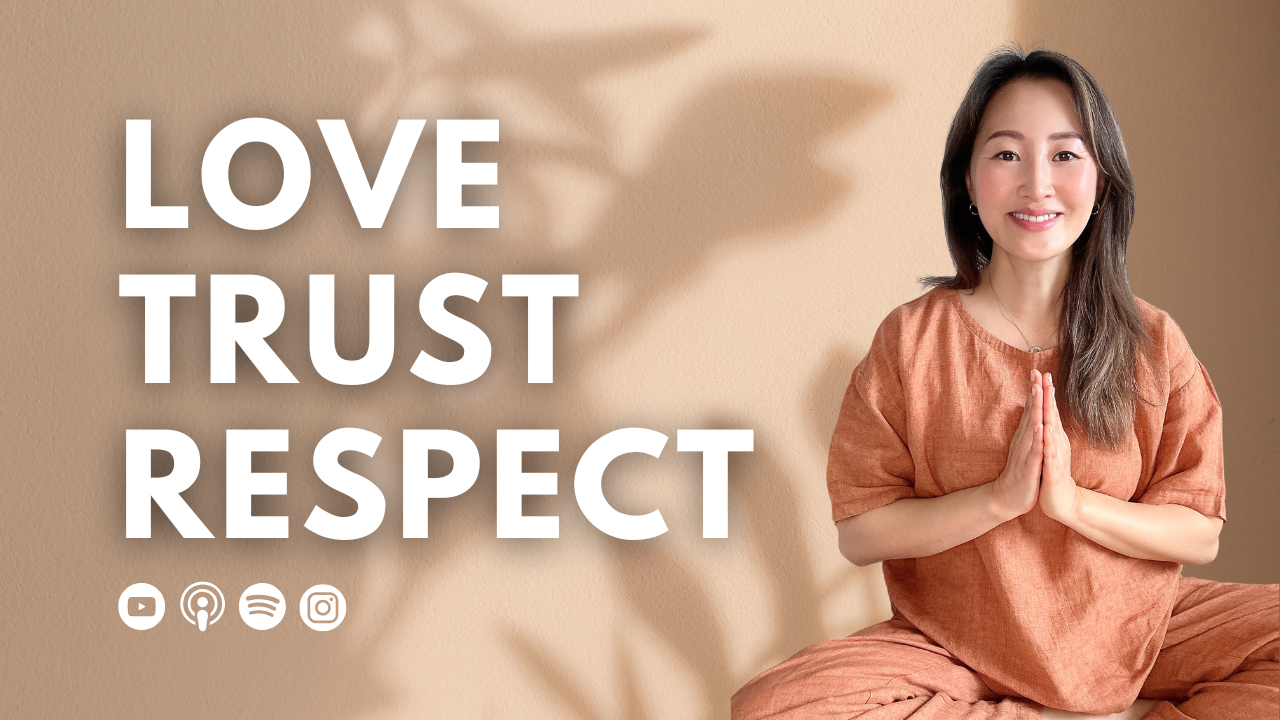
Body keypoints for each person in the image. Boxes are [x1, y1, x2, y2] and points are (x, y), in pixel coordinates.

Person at [730, 48, 1279, 720]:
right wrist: (999, 499)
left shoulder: (1153, 340)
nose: (1037, 185)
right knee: (779, 706)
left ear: (1103, 180)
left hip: (1143, 633)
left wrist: (1071, 504)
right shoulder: (911, 340)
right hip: (956, 648)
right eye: (1006, 155)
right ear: (967, 179)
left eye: (1065, 155)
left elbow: (1199, 532)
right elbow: (863, 532)